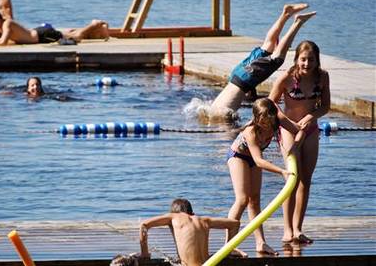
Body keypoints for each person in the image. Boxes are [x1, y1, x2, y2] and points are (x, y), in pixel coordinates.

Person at [208, 3, 316, 123]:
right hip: (236, 74)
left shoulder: (218, 119)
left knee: (277, 59)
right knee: (267, 46)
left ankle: (298, 23)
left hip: (245, 81)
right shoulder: (212, 109)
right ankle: (286, 13)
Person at [268, 40, 330, 245]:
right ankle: (287, 230)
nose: (306, 63)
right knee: (292, 180)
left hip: (310, 129)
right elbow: (270, 103)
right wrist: (285, 122)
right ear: (296, 59)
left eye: (311, 59)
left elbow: (325, 106)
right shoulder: (287, 77)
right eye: (303, 59)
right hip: (288, 129)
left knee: (306, 180)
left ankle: (298, 229)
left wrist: (312, 117)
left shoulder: (322, 77)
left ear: (317, 60)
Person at [225, 97, 305, 256]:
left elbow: (300, 130)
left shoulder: (278, 119)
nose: (266, 124)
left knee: (254, 200)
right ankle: (229, 246)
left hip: (254, 158)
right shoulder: (251, 131)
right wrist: (282, 171)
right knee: (242, 199)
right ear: (256, 118)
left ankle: (260, 243)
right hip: (238, 156)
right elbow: (259, 161)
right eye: (262, 121)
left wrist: (294, 148)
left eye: (268, 120)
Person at [139, 198, 240, 266]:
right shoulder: (204, 220)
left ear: (173, 213)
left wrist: (145, 254)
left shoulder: (173, 217)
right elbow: (235, 224)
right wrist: (227, 250)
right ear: (192, 213)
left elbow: (144, 225)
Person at [0, 9, 109, 45]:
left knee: (76, 37)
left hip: (42, 36)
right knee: (69, 33)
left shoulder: (7, 23)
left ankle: (94, 24)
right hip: (39, 32)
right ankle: (97, 29)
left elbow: (3, 42)